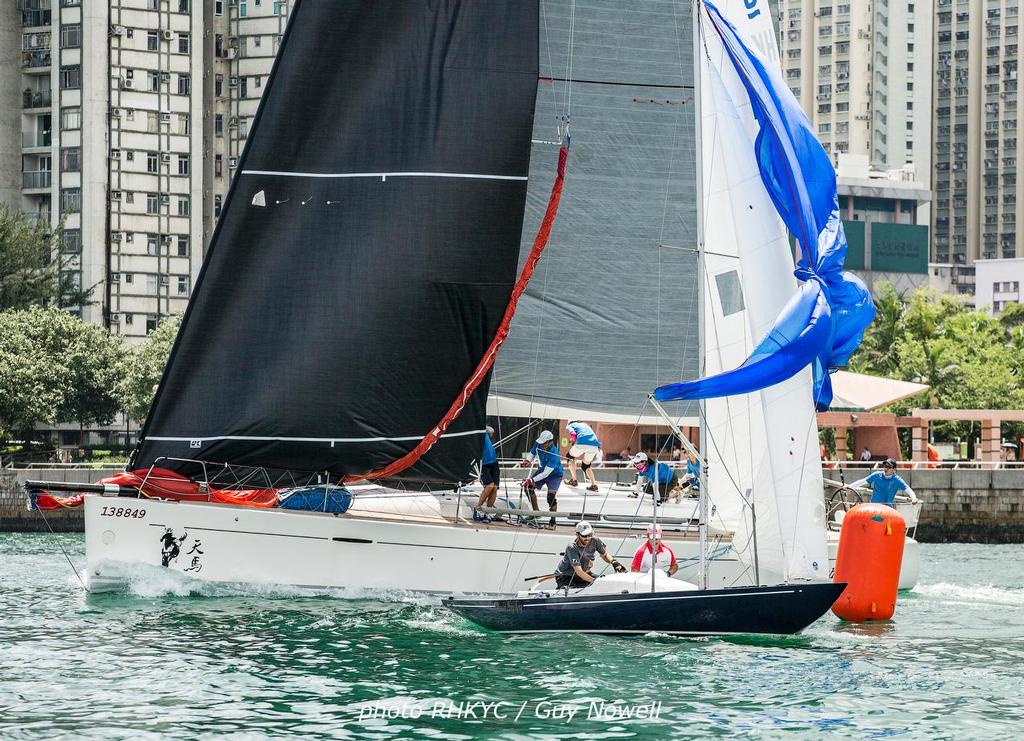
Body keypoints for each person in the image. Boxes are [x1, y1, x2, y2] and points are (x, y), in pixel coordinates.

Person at [553, 520, 626, 588]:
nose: (588, 538)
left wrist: (614, 562)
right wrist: (595, 581)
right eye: (584, 536)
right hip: (565, 576)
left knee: (604, 584)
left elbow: (605, 555)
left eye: (590, 535)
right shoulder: (572, 547)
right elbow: (579, 572)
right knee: (582, 589)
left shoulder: (595, 541)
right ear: (577, 535)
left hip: (583, 574)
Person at [522, 430, 563, 526]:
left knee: (551, 497)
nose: (541, 445)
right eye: (541, 443)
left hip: (554, 475)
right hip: (542, 470)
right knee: (528, 488)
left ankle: (552, 521)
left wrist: (531, 480)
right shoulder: (538, 443)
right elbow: (532, 452)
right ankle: (536, 513)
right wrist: (528, 460)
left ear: (550, 442)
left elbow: (546, 474)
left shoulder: (554, 453)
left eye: (544, 443)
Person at [847, 458, 919, 507]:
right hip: (874, 507)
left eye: (888, 467)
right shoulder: (877, 475)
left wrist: (914, 498)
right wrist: (849, 487)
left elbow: (908, 489)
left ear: (894, 470)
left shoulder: (897, 480)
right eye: (885, 466)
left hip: (887, 510)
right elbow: (863, 481)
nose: (886, 468)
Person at [565, 420, 602, 492]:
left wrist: (572, 441)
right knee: (586, 465)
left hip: (582, 443)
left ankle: (574, 480)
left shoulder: (570, 425)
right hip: (594, 445)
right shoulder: (585, 424)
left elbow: (573, 434)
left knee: (570, 457)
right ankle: (594, 485)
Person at [473, 426, 500, 523]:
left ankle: (487, 513)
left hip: (494, 462)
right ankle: (477, 508)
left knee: (494, 488)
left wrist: (482, 425)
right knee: (490, 485)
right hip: (483, 463)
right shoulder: (474, 433)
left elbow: (491, 430)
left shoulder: (482, 429)